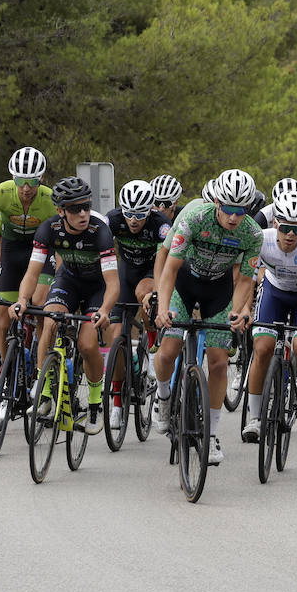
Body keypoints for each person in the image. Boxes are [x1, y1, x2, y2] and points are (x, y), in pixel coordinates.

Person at [151, 168, 264, 466]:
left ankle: (211, 434)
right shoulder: (193, 218)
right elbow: (170, 269)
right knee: (167, 353)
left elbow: (244, 280)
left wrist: (240, 310)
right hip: (184, 284)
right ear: (216, 201)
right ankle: (162, 398)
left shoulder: (251, 233)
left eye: (240, 211)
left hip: (219, 291)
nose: (233, 218)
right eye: (228, 209)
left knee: (218, 360)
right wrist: (163, 308)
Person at [10, 177, 118, 435]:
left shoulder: (100, 230)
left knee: (87, 344)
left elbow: (113, 283)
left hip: (97, 288)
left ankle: (94, 404)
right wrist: (23, 300)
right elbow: (32, 273)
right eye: (74, 209)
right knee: (49, 320)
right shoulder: (48, 229)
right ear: (60, 211)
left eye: (86, 206)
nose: (82, 213)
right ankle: (44, 391)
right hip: (69, 280)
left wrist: (104, 310)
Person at [242, 190, 297, 442]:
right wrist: (245, 310)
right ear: (274, 223)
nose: (291, 234)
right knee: (262, 348)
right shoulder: (260, 239)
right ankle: (255, 418)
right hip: (275, 291)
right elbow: (247, 280)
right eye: (285, 228)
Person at [0, 147, 56, 382]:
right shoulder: (0, 194)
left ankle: (43, 373)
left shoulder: (50, 199)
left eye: (31, 181)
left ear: (40, 178)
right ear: (12, 178)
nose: (25, 187)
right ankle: (8, 372)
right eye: (20, 180)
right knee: (3, 317)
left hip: (41, 250)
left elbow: (60, 243)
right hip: (12, 250)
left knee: (40, 306)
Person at [104, 179, 173, 429]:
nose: (134, 220)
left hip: (151, 270)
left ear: (151, 210)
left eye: (140, 214)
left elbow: (165, 262)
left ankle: (153, 345)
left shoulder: (161, 225)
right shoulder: (112, 220)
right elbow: (102, 252)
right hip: (125, 270)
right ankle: (117, 405)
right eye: (129, 214)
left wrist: (153, 292)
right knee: (115, 338)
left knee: (146, 295)